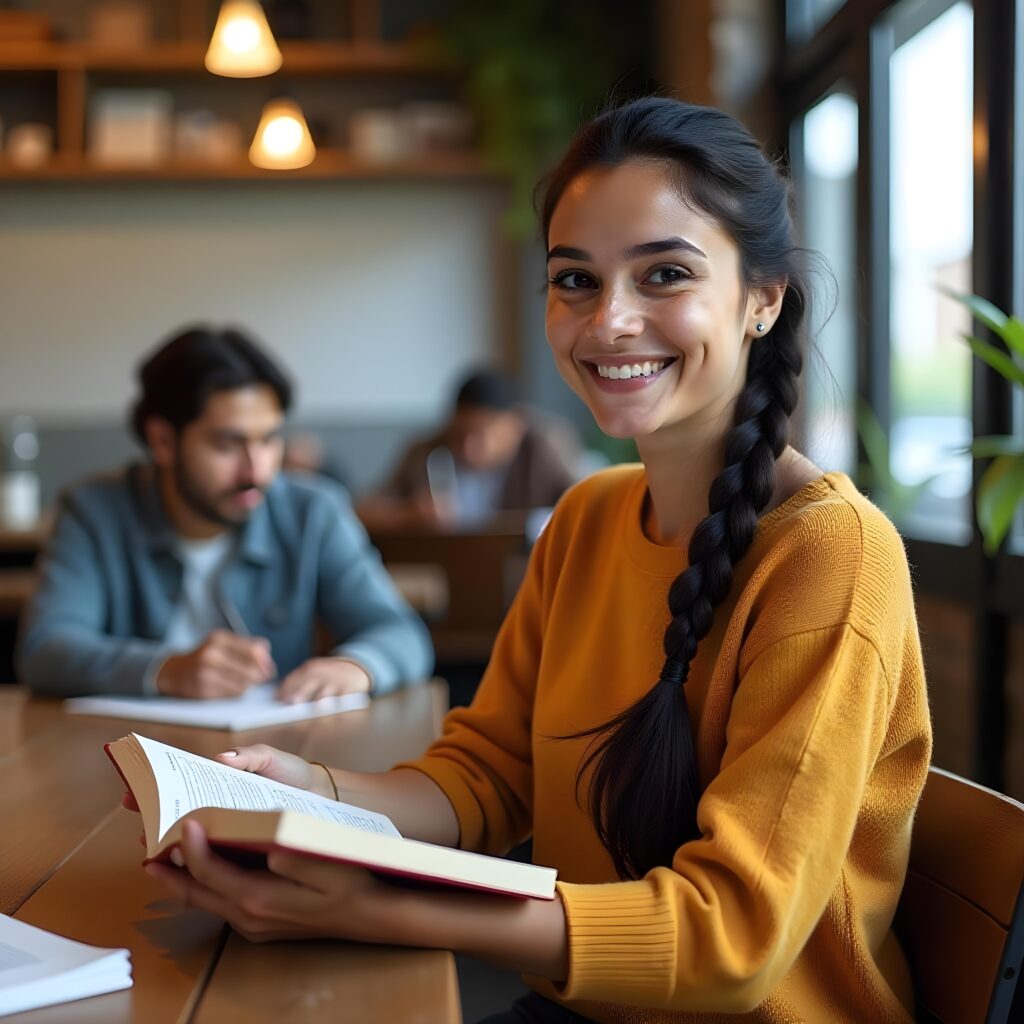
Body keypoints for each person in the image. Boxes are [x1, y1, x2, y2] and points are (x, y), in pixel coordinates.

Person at [135, 99, 931, 1023]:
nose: (609, 323)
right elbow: (489, 775)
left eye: (664, 274)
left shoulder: (831, 552)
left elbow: (736, 940)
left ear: (764, 297)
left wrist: (390, 905)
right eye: (576, 281)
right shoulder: (586, 519)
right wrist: (311, 788)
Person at [18, 327, 432, 701]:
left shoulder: (313, 513)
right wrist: (167, 670)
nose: (257, 470)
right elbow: (46, 649)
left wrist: (355, 667)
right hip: (125, 758)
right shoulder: (92, 511)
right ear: (162, 441)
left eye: (269, 440)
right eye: (228, 445)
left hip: (271, 760)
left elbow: (402, 634)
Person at [356, 368, 580, 530]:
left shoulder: (543, 449)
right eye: (460, 433)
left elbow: (582, 506)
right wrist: (408, 514)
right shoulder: (425, 452)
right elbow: (363, 512)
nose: (468, 448)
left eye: (481, 435)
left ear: (515, 427)